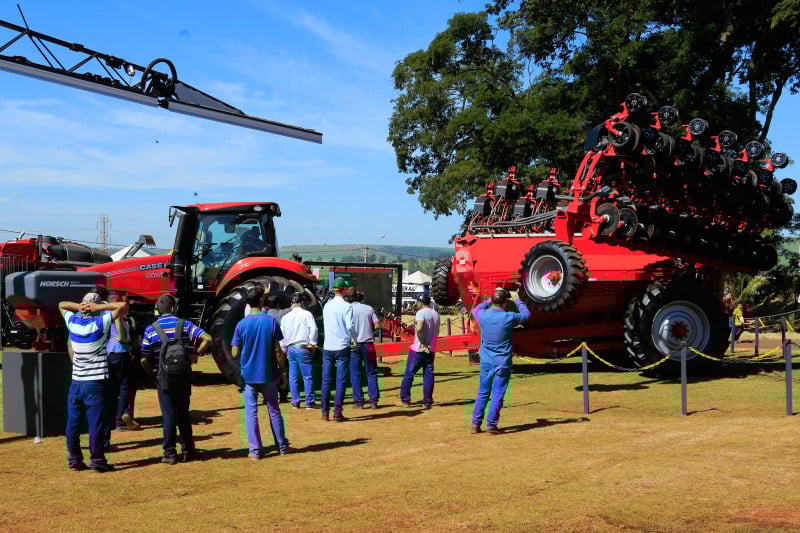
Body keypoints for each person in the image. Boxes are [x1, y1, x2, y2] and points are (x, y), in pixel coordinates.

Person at [59, 292, 128, 473]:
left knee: (73, 423)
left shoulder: (73, 323)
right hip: (95, 383)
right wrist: (98, 307)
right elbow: (121, 306)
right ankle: (97, 461)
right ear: (95, 309)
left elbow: (61, 304)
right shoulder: (100, 322)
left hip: (76, 381)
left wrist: (79, 306)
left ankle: (74, 459)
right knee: (95, 424)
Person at [141, 294, 211, 465]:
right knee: (183, 413)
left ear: (159, 309)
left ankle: (170, 453)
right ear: (173, 308)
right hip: (183, 375)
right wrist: (195, 354)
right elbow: (207, 338)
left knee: (168, 415)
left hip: (163, 377)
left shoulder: (151, 329)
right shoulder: (185, 324)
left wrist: (153, 375)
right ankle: (189, 450)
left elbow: (144, 359)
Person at [231, 282, 290, 458]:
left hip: (248, 375)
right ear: (262, 300)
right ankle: (281, 446)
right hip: (268, 374)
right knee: (274, 410)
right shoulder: (270, 321)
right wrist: (283, 372)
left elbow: (234, 353)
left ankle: (255, 450)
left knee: (251, 412)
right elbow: (278, 351)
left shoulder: (241, 324)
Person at [470, 287, 531, 434]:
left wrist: (489, 300)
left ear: (493, 301)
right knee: (497, 394)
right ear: (505, 303)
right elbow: (526, 315)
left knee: (483, 393)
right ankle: (491, 425)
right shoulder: (508, 317)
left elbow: (475, 309)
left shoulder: (483, 315)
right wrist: (517, 299)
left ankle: (475, 424)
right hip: (502, 362)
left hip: (486, 361)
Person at [103, 292, 140, 452]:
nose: (127, 307)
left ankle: (114, 419)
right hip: (120, 352)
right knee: (125, 387)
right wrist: (129, 343)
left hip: (110, 353)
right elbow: (121, 338)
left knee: (112, 388)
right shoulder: (116, 316)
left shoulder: (105, 314)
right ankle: (120, 419)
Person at [321, 277, 355, 422]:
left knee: (326, 381)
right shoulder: (347, 306)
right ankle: (337, 413)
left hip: (328, 346)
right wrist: (354, 339)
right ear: (343, 289)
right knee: (340, 381)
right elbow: (350, 327)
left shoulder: (327, 306)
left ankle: (324, 413)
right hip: (342, 346)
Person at [399, 294, 441, 409]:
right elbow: (437, 332)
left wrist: (423, 343)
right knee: (428, 374)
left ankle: (405, 400)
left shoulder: (420, 313)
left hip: (418, 349)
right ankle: (427, 401)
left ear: (420, 302)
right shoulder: (436, 314)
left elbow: (419, 328)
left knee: (409, 374)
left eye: (417, 301)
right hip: (431, 348)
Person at [279, 292, 319, 409]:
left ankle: (295, 402)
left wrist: (284, 349)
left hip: (291, 348)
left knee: (293, 376)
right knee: (307, 376)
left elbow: (282, 335)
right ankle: (309, 402)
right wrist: (312, 343)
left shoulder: (285, 317)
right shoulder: (307, 314)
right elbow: (314, 329)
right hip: (303, 347)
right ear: (301, 302)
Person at [349, 289, 381, 409]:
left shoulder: (347, 309)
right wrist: (369, 330)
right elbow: (377, 325)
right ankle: (373, 401)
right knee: (371, 372)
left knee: (355, 374)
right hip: (368, 344)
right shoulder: (368, 308)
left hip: (353, 345)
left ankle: (359, 402)